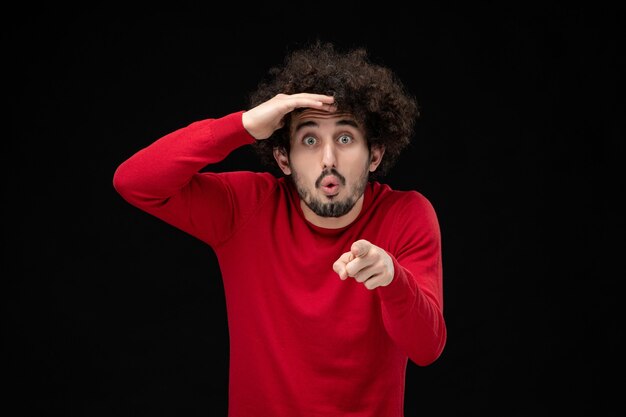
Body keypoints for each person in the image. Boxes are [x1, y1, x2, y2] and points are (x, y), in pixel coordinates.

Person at [113, 40, 446, 417]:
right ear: (283, 159)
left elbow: (427, 348)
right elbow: (134, 181)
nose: (328, 159)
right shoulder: (245, 207)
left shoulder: (407, 215)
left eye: (345, 138)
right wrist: (241, 126)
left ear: (375, 154)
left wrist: (392, 279)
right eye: (309, 140)